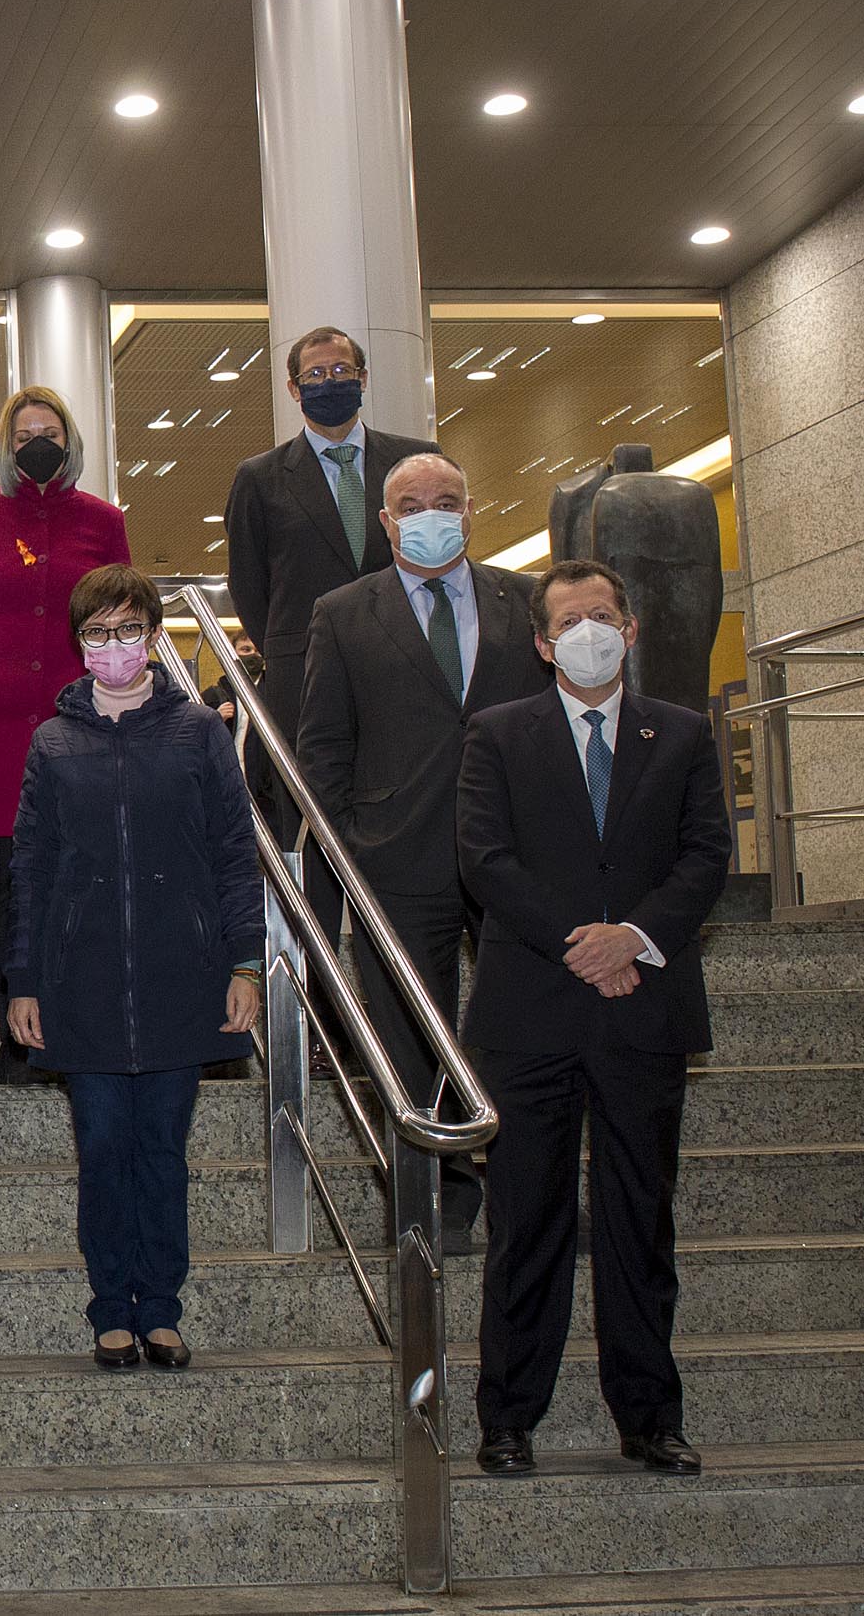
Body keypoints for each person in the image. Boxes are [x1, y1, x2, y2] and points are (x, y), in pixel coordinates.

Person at [460, 561, 730, 1481]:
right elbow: (485, 858)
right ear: (541, 643)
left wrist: (636, 938)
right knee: (525, 1219)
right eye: (569, 620)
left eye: (602, 614)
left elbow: (705, 856)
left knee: (638, 1220)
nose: (589, 630)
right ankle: (509, 1417)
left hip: (645, 1008)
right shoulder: (497, 734)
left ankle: (650, 1416)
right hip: (532, 1008)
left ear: (632, 626)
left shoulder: (685, 734)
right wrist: (583, 944)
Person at [3, 566, 263, 1370]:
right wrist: (22, 980)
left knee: (163, 1149)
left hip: (180, 975)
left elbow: (233, 854)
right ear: (79, 643)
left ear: (152, 635)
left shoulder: (198, 732)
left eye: (127, 629)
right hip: (80, 982)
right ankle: (110, 1307)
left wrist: (246, 962)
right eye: (97, 631)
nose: (113, 645)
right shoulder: (52, 741)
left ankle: (163, 1309)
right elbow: (31, 871)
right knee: (104, 1146)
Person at [299, 452, 547, 1249]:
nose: (430, 513)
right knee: (409, 1034)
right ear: (386, 520)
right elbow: (325, 748)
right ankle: (436, 1196)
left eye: (447, 499)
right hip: (397, 856)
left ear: (471, 511)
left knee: (525, 1030)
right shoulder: (343, 611)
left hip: (518, 854)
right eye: (412, 503)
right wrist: (346, 851)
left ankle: (526, 1198)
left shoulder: (525, 600)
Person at [0, 387, 130, 1084]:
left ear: (69, 439)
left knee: (71, 885)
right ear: (6, 448)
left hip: (79, 729)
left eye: (48, 431)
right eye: (23, 435)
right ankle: (16, 1046)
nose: (35, 443)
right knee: (7, 886)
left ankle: (70, 1037)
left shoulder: (103, 521)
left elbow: (125, 623)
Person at [220, 325, 439, 835]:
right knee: (309, 819)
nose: (329, 381)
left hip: (405, 663)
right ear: (294, 389)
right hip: (305, 676)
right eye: (315, 374)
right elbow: (250, 584)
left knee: (407, 806)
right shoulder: (260, 477)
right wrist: (291, 646)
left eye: (341, 371)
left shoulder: (415, 463)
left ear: (363, 379)